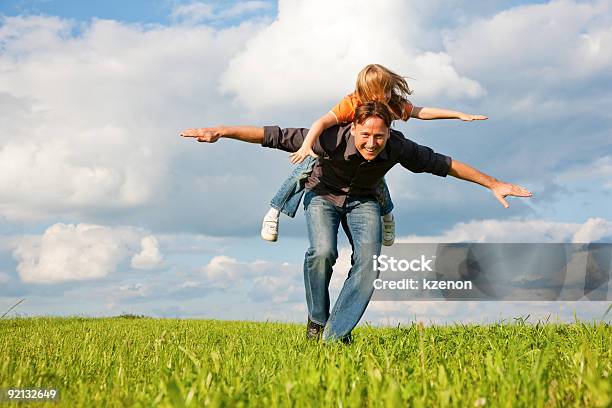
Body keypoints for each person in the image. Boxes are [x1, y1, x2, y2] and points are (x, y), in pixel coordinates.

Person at [180, 101, 531, 342]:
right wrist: (222, 131)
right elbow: (272, 135)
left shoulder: (397, 146)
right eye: (366, 135)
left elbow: (445, 163)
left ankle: (336, 336)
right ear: (353, 127)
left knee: (368, 265)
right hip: (322, 195)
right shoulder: (330, 137)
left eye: (379, 136)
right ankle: (318, 321)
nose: (372, 143)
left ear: (389, 132)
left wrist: (494, 184)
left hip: (364, 201)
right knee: (322, 252)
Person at [261, 64, 488, 245]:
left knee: (377, 177)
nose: (382, 98)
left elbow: (421, 112)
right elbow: (321, 122)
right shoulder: (352, 102)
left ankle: (387, 214)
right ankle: (275, 210)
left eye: (386, 91)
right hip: (333, 149)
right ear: (364, 92)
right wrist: (306, 146)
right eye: (376, 93)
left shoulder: (392, 103)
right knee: (305, 167)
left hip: (370, 153)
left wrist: (457, 114)